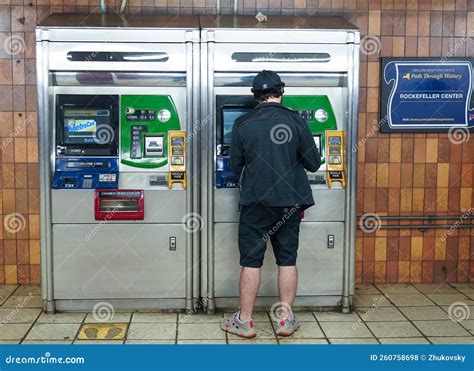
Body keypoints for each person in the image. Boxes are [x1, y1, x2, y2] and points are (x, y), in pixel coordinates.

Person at [220, 70, 321, 338]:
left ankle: (244, 321)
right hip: (289, 202)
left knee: (251, 261)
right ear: (281, 91)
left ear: (255, 95)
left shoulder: (242, 123)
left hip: (255, 202)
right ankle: (285, 320)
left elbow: (234, 166)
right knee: (287, 260)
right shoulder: (296, 121)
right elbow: (313, 163)